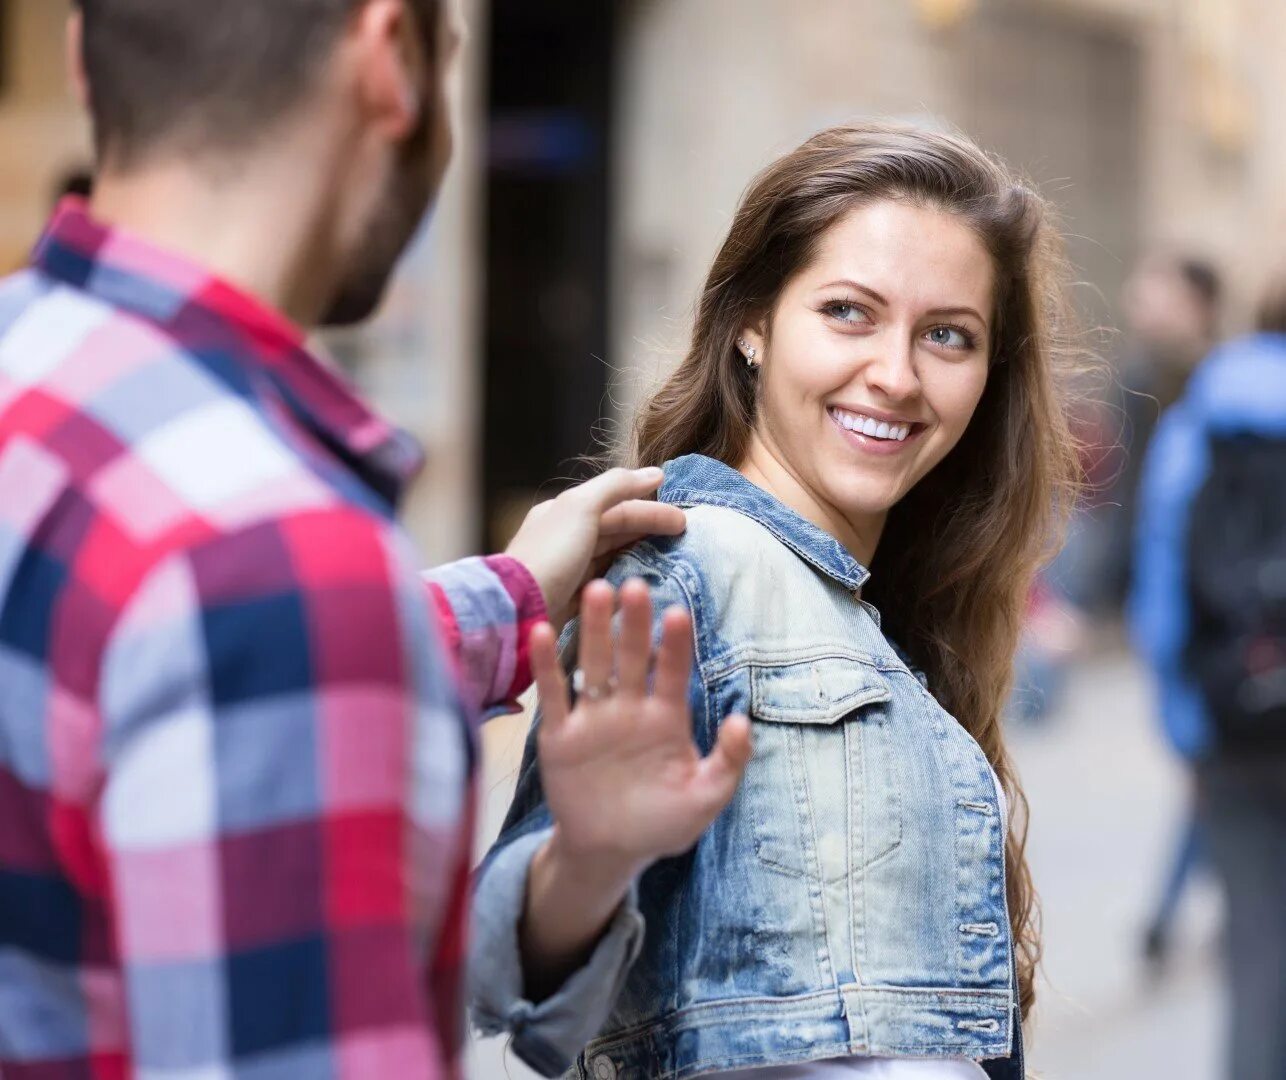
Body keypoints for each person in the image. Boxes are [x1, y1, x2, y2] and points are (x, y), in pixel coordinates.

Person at [0, 2, 751, 1076]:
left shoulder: (38, 370)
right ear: (389, 56)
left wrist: (510, 590)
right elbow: (251, 626)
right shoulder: (272, 561)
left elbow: (129, 663)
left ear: (82, 57)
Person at [473, 123, 1081, 1079]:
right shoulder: (687, 571)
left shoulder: (889, 613)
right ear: (752, 322)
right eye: (849, 312)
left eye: (948, 335)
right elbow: (507, 975)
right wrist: (585, 863)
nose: (896, 374)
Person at [1130, 278, 1286, 1080]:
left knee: (1259, 956)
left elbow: (1162, 589)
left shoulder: (1198, 424)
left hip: (1233, 721)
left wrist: (1185, 728)